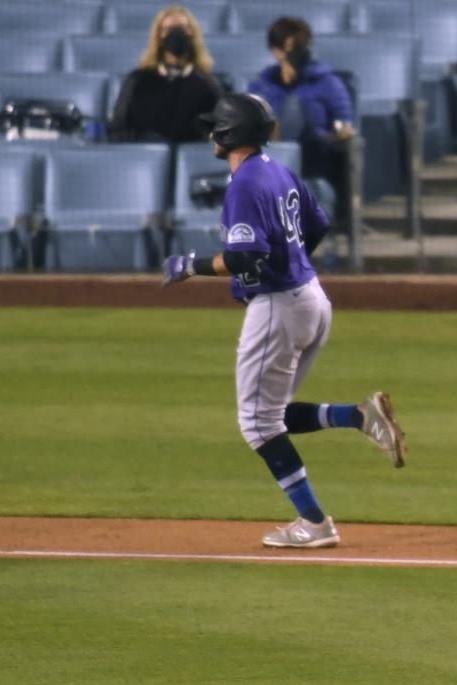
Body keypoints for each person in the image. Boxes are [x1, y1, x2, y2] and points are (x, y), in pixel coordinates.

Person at [159, 93, 406, 548]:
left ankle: (314, 523)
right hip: (312, 297)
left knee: (258, 425)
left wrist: (190, 266)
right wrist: (287, 260)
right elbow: (319, 223)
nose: (211, 132)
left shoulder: (246, 183)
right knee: (271, 417)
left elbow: (243, 255)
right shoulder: (278, 170)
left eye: (217, 126)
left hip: (279, 306)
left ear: (230, 134)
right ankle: (358, 416)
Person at [248, 17, 356, 227]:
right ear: (276, 51)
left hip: (314, 157)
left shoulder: (328, 83)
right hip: (271, 158)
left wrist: (336, 133)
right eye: (290, 47)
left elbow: (345, 125)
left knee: (295, 107)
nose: (298, 52)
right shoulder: (262, 85)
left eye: (302, 45)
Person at [109, 5, 223, 144]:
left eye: (182, 28)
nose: (176, 34)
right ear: (159, 36)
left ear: (193, 34)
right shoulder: (137, 81)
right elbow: (118, 130)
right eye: (168, 29)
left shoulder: (208, 84)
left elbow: (220, 131)